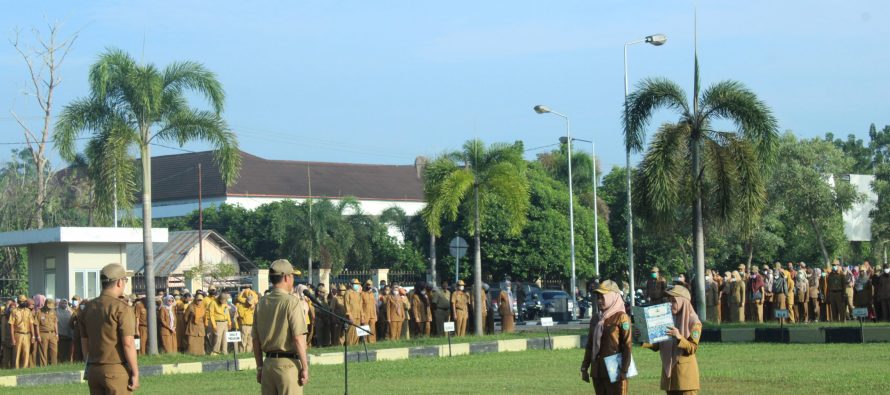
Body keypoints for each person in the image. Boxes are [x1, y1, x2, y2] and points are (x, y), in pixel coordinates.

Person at [252, 259, 310, 394]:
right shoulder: (292, 302)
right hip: (288, 365)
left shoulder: (261, 303)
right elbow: (298, 338)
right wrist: (305, 367)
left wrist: (260, 367)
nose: (293, 280)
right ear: (286, 277)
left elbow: (255, 340)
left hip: (268, 366)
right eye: (292, 276)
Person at [79, 263, 139, 393]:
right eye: (125, 280)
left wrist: (89, 365)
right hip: (116, 369)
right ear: (119, 282)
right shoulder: (121, 308)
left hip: (94, 369)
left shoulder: (88, 307)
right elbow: (128, 343)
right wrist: (135, 372)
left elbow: (84, 341)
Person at [641, 285, 702, 395]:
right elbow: (657, 345)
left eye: (673, 301)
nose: (669, 304)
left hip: (685, 378)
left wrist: (679, 337)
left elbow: (692, 348)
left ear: (683, 302)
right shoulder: (666, 319)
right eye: (668, 300)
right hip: (669, 376)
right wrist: (643, 338)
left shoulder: (694, 322)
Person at [580, 280, 632, 395]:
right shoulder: (596, 318)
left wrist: (624, 370)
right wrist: (584, 367)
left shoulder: (621, 317)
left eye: (602, 297)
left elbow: (627, 346)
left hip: (615, 372)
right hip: (597, 371)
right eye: (598, 297)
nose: (599, 301)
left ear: (612, 296)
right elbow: (590, 345)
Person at [9, 295, 34, 369]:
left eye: (25, 301)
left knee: (26, 353)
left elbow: (31, 324)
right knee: (17, 353)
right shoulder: (14, 311)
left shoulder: (28, 311)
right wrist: (13, 338)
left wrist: (33, 336)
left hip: (27, 335)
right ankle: (16, 368)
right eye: (23, 301)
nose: (25, 303)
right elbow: (11, 326)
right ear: (19, 302)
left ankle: (24, 368)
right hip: (18, 334)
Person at [36, 298, 59, 366]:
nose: (50, 308)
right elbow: (36, 324)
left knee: (54, 351)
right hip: (43, 334)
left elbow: (55, 323)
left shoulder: (53, 312)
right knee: (43, 351)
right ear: (45, 304)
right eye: (49, 306)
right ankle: (43, 366)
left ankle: (54, 365)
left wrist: (57, 334)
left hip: (52, 334)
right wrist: (38, 335)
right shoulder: (39, 312)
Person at [237, 287, 258, 352]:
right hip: (244, 326)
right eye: (249, 303)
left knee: (250, 341)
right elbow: (241, 315)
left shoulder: (253, 306)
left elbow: (256, 297)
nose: (250, 305)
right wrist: (249, 309)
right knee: (243, 341)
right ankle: (242, 353)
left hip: (251, 326)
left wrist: (250, 290)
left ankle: (248, 353)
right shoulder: (241, 306)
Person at [344, 279, 363, 345]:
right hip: (351, 315)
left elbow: (360, 306)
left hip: (358, 315)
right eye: (355, 284)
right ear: (351, 285)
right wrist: (349, 314)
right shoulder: (348, 292)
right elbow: (347, 304)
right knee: (350, 331)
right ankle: (349, 344)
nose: (357, 286)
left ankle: (355, 344)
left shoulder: (358, 294)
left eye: (358, 284)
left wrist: (362, 316)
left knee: (357, 331)